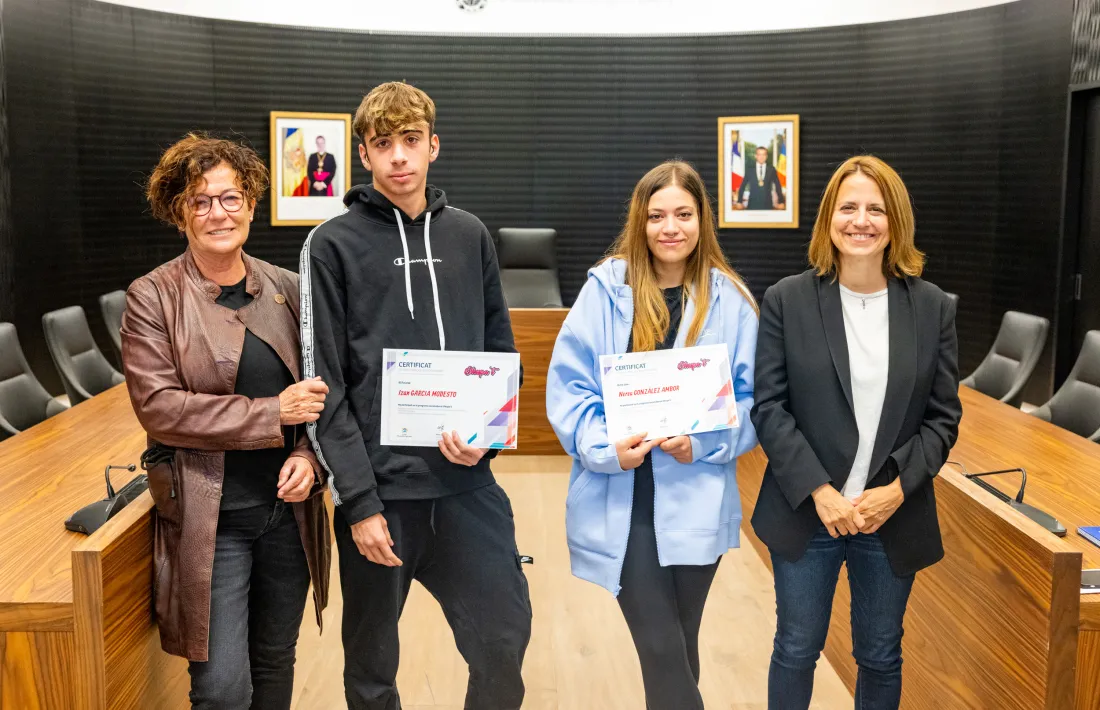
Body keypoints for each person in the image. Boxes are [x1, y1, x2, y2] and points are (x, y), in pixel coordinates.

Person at [298, 81, 531, 710]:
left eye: (409, 141)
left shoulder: (470, 235)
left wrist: (481, 445)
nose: (398, 156)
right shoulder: (331, 245)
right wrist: (360, 501)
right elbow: (326, 387)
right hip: (382, 501)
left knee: (504, 644)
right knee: (372, 669)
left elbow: (498, 355)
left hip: (466, 489)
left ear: (433, 147)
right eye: (382, 144)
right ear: (365, 156)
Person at [120, 134, 332, 710]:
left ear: (251, 203)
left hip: (288, 515)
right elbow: (160, 408)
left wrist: (308, 458)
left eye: (231, 198)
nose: (219, 213)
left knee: (274, 660)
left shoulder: (289, 288)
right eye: (201, 201)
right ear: (179, 211)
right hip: (212, 521)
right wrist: (271, 413)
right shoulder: (153, 298)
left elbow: (324, 398)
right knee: (222, 689)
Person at [750, 155, 962, 710]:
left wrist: (897, 491)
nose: (861, 220)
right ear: (829, 218)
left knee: (881, 655)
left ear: (896, 221)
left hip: (889, 512)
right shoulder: (786, 300)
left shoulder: (932, 307)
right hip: (807, 509)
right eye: (848, 207)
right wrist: (821, 492)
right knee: (796, 648)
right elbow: (770, 407)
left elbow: (943, 417)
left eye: (876, 208)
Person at [546, 160, 759, 709]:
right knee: (661, 645)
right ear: (640, 222)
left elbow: (754, 399)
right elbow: (569, 388)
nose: (671, 227)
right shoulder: (604, 290)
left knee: (679, 645)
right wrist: (604, 448)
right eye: (657, 215)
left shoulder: (730, 300)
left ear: (701, 220)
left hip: (696, 497)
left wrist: (705, 443)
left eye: (683, 214)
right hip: (623, 497)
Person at [736, 146, 786, 210]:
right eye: (759, 154)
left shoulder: (772, 169)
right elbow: (742, 186)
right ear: (755, 156)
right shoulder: (749, 170)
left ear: (766, 156)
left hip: (767, 205)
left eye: (763, 154)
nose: (761, 157)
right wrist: (739, 201)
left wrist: (781, 201)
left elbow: (778, 185)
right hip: (752, 205)